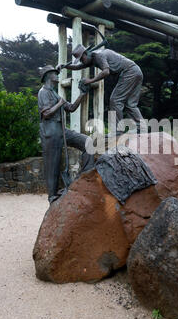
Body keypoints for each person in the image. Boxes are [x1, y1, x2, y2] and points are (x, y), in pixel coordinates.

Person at [38, 65, 94, 204]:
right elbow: (45, 114)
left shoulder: (55, 93)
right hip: (50, 131)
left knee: (88, 142)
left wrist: (82, 93)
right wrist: (59, 104)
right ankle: (52, 196)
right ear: (48, 76)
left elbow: (71, 108)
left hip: (62, 129)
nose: (57, 75)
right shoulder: (43, 92)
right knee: (53, 165)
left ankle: (85, 176)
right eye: (55, 74)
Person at [57, 46, 146, 133]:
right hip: (136, 71)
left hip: (129, 72)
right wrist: (64, 66)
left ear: (85, 53)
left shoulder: (98, 56)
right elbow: (78, 67)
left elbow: (106, 71)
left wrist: (90, 80)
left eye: (81, 59)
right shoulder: (91, 58)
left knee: (115, 101)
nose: (81, 61)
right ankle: (141, 128)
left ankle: (118, 130)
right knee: (130, 104)